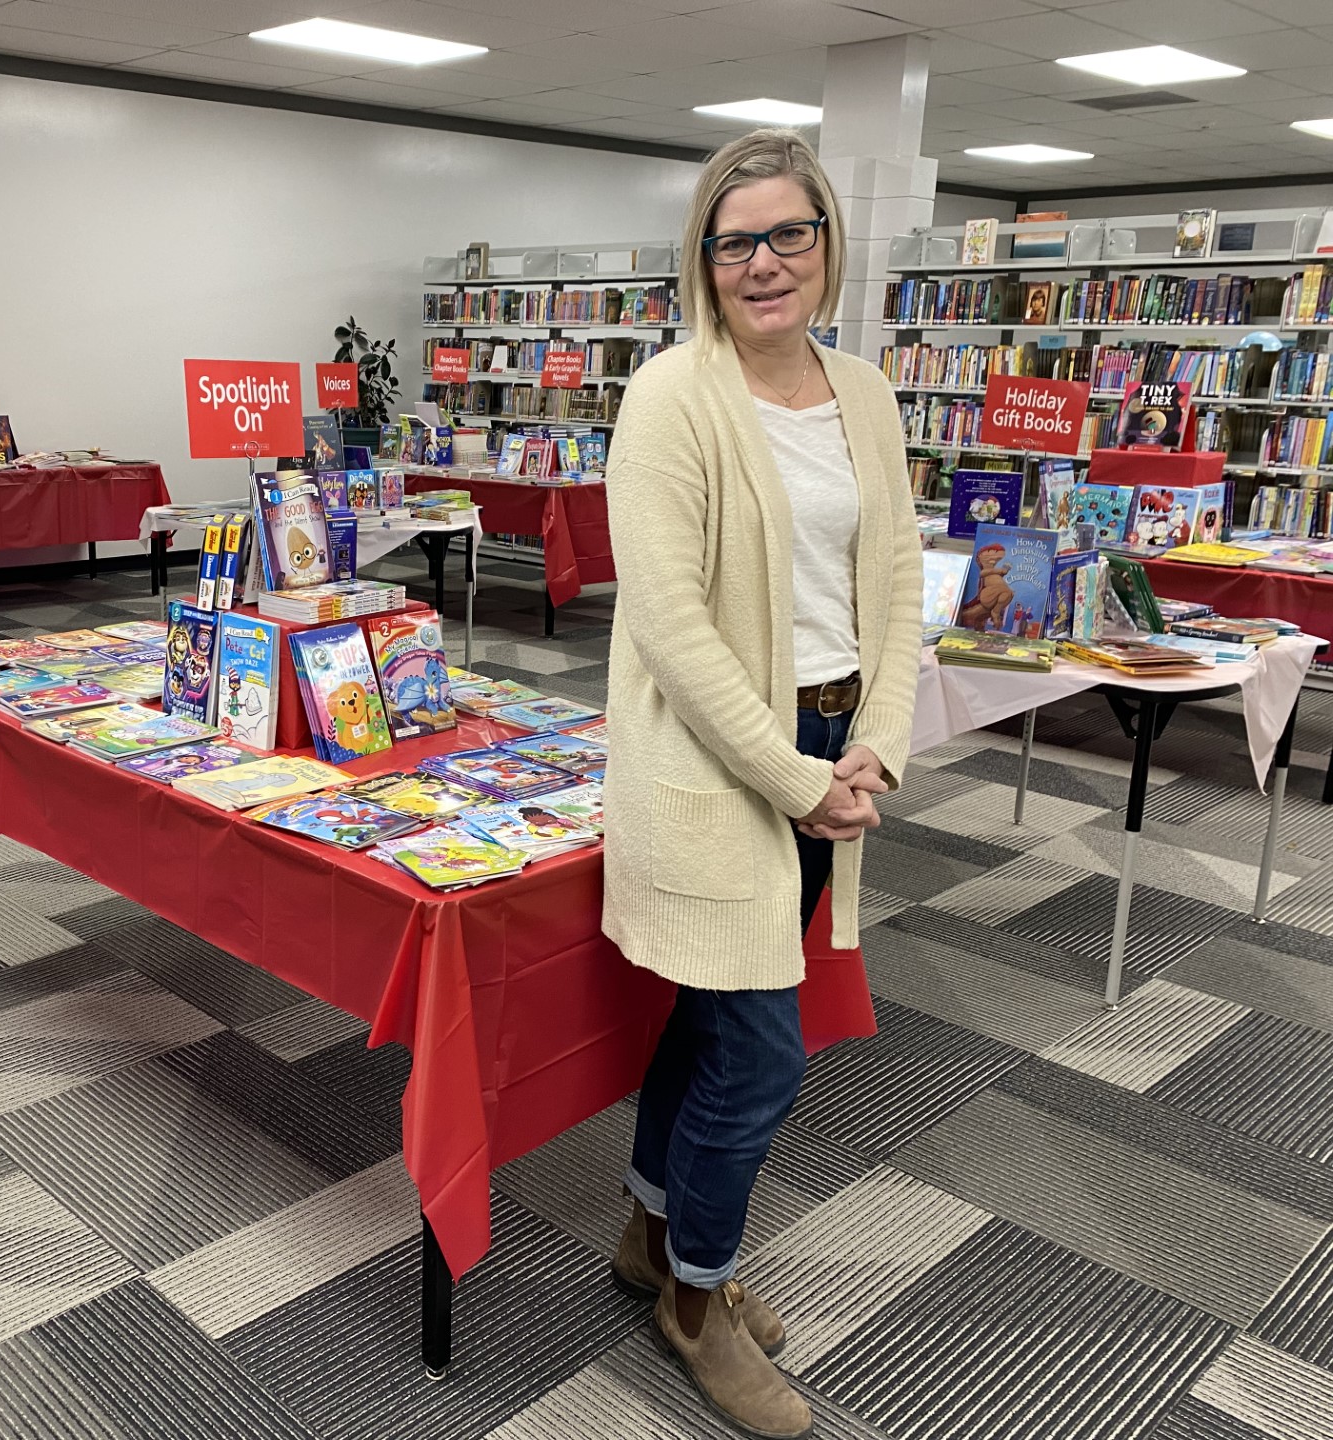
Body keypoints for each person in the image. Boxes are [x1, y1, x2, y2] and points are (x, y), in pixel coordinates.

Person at [600, 128, 921, 1439]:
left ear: (828, 245)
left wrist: (875, 744)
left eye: (790, 233)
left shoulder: (866, 392)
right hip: (723, 762)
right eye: (738, 241)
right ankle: (697, 1301)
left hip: (826, 755)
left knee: (713, 1022)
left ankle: (646, 1231)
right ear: (706, 260)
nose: (765, 261)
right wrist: (798, 777)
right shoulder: (673, 395)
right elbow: (671, 623)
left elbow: (896, 580)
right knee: (761, 1056)